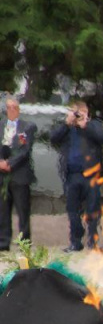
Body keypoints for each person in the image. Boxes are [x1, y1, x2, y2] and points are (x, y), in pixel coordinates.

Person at [50, 99, 103, 251]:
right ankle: (75, 241)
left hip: (91, 175)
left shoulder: (94, 125)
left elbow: (102, 139)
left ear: (87, 112)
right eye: (75, 112)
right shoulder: (68, 128)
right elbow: (53, 139)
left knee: (93, 210)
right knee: (72, 210)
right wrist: (66, 124)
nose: (77, 115)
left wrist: (86, 125)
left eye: (80, 112)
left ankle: (93, 241)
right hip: (73, 175)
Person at [0, 97, 37, 249]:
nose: (12, 110)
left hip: (19, 176)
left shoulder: (27, 127)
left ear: (19, 109)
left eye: (14, 107)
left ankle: (25, 243)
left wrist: (10, 163)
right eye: (9, 107)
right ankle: (3, 243)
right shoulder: (1, 125)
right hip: (2, 178)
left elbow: (25, 150)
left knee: (23, 211)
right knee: (3, 212)